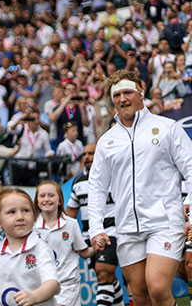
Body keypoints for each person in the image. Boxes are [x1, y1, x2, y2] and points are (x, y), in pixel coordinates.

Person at [89, 70, 192, 305]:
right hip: (126, 227)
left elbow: (190, 168)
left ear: (140, 93)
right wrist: (96, 228)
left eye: (127, 92)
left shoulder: (167, 128)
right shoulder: (107, 140)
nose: (123, 99)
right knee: (141, 295)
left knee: (157, 287)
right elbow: (97, 186)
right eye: (117, 95)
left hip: (164, 222)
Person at [65, 143, 124, 306]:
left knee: (103, 272)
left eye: (91, 153)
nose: (87, 157)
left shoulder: (115, 176)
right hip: (89, 238)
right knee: (108, 279)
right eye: (84, 154)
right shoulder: (78, 182)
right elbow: (70, 214)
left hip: (112, 233)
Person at [34, 180, 95, 306]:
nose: (46, 199)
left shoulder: (71, 223)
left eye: (51, 195)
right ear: (37, 201)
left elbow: (83, 252)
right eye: (42, 196)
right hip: (42, 286)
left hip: (67, 285)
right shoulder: (31, 227)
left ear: (60, 200)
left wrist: (96, 248)